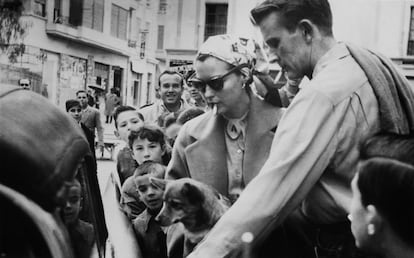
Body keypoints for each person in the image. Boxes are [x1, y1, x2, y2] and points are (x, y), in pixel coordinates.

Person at [187, 1, 414, 257]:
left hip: (343, 244)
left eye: (274, 43)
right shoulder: (367, 64)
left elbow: (266, 200)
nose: (271, 56)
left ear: (306, 31)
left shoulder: (322, 94)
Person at [166, 34, 285, 204]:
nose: (207, 93)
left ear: (244, 75)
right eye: (199, 85)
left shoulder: (286, 124)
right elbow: (173, 200)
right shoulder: (189, 133)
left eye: (216, 83)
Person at [120, 124, 171, 220]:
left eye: (152, 147)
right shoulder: (130, 186)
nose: (146, 154)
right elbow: (133, 225)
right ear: (133, 154)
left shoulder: (175, 176)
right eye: (139, 148)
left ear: (163, 149)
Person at [131, 161, 169, 258]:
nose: (150, 193)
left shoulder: (183, 218)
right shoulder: (138, 226)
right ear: (138, 194)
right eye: (143, 189)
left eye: (155, 186)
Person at [61, 178, 95, 258]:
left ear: (81, 204)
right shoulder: (48, 233)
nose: (68, 205)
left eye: (73, 200)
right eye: (62, 201)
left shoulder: (91, 233)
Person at [113, 105, 145, 185]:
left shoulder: (158, 147)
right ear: (117, 134)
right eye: (123, 125)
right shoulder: (122, 156)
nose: (130, 127)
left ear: (145, 124)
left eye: (134, 122)